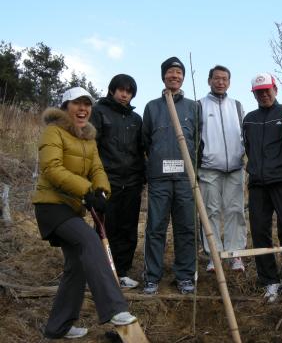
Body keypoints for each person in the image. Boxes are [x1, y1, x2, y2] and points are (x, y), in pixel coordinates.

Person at [32, 87, 137, 339]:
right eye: (77, 104)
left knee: (77, 266)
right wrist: (86, 191)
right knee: (90, 241)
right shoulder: (53, 132)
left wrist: (100, 191)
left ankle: (58, 327)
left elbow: (98, 169)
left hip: (71, 208)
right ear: (65, 107)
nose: (83, 109)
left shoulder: (88, 139)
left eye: (87, 104)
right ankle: (114, 308)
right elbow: (52, 168)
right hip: (51, 207)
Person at [142, 57, 201, 295]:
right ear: (163, 76)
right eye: (170, 72)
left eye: (178, 72)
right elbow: (145, 140)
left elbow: (199, 140)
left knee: (186, 227)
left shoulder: (193, 107)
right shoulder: (152, 107)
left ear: (183, 77)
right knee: (155, 227)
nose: (174, 76)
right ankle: (151, 276)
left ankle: (185, 275)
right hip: (159, 178)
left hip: (186, 179)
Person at [243, 73, 282, 302]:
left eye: (267, 90)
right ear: (254, 94)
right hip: (257, 183)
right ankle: (269, 280)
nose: (264, 94)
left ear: (276, 89)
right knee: (259, 232)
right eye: (259, 92)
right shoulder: (249, 119)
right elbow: (248, 148)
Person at [90, 74, 145, 289]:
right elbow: (92, 147)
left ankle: (122, 272)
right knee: (105, 229)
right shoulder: (99, 112)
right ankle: (101, 274)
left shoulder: (136, 119)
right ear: (112, 90)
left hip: (132, 182)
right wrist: (94, 181)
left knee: (128, 229)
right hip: (107, 181)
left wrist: (142, 176)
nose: (125, 94)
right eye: (121, 89)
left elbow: (141, 151)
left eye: (129, 91)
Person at [198, 65, 247, 272]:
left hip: (235, 168)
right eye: (216, 78)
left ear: (229, 82)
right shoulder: (199, 105)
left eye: (224, 79)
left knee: (236, 211)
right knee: (211, 212)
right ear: (209, 80)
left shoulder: (236, 106)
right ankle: (214, 256)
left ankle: (235, 254)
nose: (220, 82)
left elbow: (244, 134)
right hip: (208, 169)